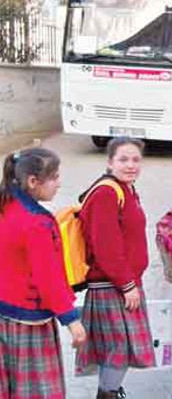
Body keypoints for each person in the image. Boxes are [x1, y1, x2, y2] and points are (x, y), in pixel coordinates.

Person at [0, 148, 87, 398]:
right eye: (55, 177)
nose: (59, 184)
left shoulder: (5, 205)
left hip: (3, 311)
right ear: (33, 181)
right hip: (30, 321)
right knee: (36, 391)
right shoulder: (38, 223)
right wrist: (71, 319)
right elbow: (48, 278)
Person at [75, 137, 156, 399]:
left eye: (135, 160)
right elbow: (106, 246)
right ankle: (107, 394)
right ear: (110, 162)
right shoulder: (106, 193)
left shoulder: (125, 188)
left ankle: (109, 392)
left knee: (117, 349)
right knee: (118, 349)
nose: (130, 165)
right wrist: (128, 284)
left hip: (120, 284)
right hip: (113, 286)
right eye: (123, 159)